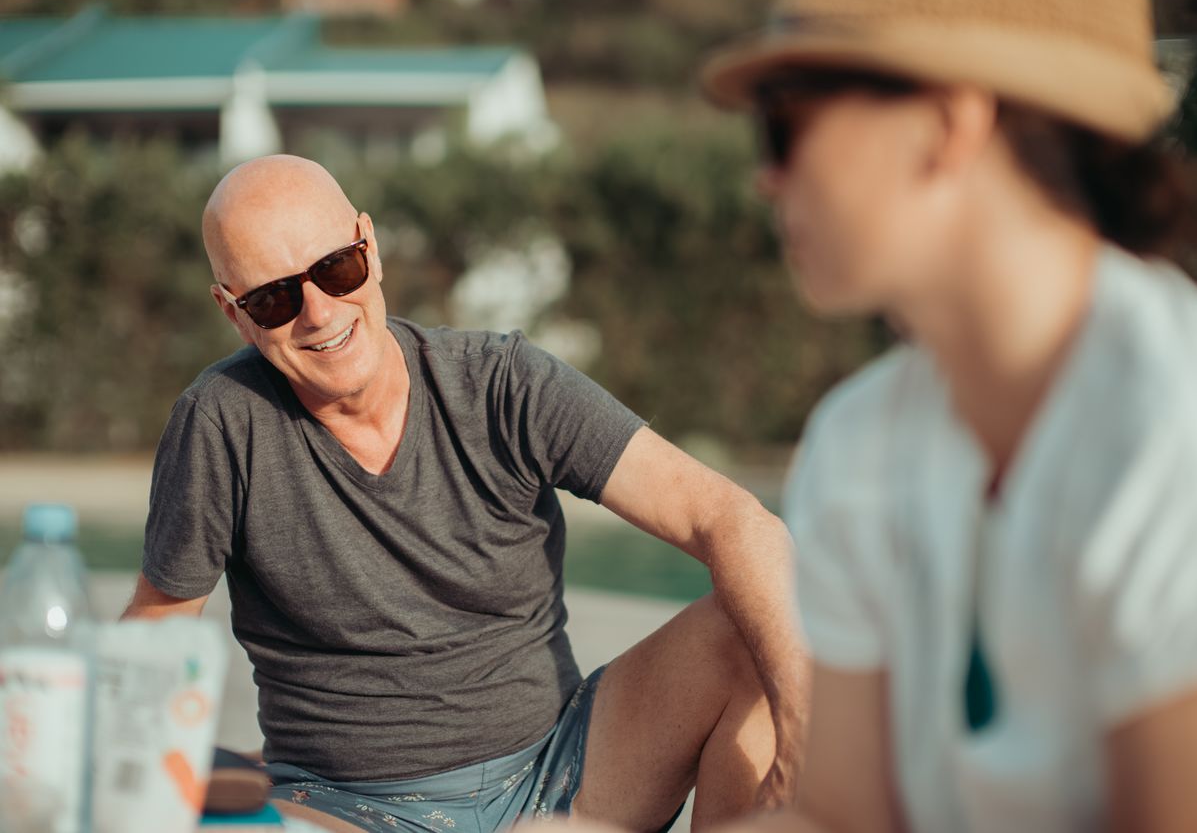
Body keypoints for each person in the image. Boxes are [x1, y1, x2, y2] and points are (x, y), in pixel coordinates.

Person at [699, 0, 1197, 830]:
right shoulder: (859, 440)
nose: (766, 176)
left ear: (944, 127)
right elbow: (840, 820)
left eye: (785, 122)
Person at [122, 155, 809, 833]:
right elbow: (155, 633)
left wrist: (803, 736)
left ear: (371, 246)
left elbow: (731, 519)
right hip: (345, 807)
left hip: (566, 775)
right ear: (233, 313)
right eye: (273, 297)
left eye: (337, 269)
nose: (318, 312)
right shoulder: (220, 422)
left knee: (754, 620)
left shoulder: (503, 383)